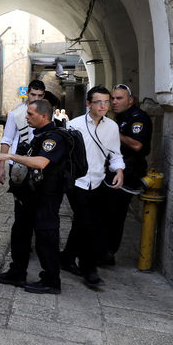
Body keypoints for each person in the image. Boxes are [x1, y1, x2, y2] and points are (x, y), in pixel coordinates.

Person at [0, 99, 69, 294]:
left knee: (45, 238)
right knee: (20, 232)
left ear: (44, 116)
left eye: (30, 114)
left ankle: (51, 281)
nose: (26, 117)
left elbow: (41, 162)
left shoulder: (54, 138)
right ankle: (17, 272)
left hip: (47, 197)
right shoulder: (39, 135)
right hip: (31, 196)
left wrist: (11, 156)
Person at [62, 85, 124, 288]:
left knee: (82, 222)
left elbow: (115, 153)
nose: (104, 106)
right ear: (88, 104)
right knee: (89, 225)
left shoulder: (112, 127)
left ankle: (67, 258)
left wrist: (119, 171)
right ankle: (89, 270)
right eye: (99, 102)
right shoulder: (74, 125)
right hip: (77, 183)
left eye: (107, 102)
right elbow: (66, 156)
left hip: (97, 182)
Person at [103, 84, 152, 264]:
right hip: (114, 170)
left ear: (130, 100)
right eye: (113, 98)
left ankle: (108, 253)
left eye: (119, 98)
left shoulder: (138, 118)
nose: (114, 102)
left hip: (129, 172)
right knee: (106, 212)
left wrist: (112, 132)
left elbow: (137, 145)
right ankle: (102, 249)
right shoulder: (119, 118)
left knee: (115, 214)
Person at [0, 80, 46, 185]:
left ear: (43, 96)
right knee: (19, 199)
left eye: (40, 96)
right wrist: (1, 167)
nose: (36, 99)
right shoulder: (15, 114)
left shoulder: (48, 115)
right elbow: (6, 140)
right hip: (17, 163)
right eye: (33, 94)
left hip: (39, 163)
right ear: (27, 93)